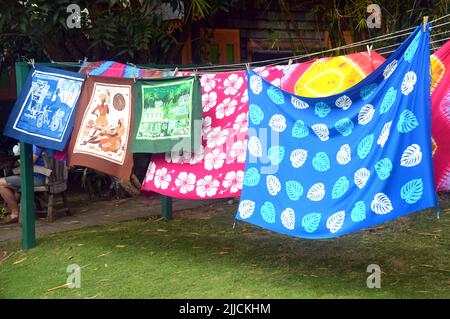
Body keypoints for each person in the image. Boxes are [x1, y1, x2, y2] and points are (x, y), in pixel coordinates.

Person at [0, 145, 55, 224]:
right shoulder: (52, 144)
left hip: (37, 179)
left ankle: (15, 213)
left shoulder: (38, 145)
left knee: (1, 183)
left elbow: (29, 163)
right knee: (12, 183)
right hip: (49, 179)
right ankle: (13, 209)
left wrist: (20, 160)